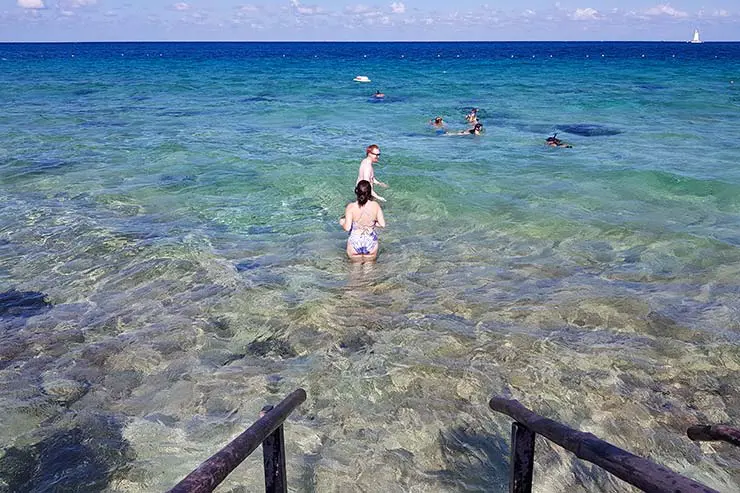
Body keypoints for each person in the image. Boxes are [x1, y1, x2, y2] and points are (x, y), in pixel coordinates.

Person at [339, 180, 386, 262]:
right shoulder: (375, 205)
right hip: (370, 241)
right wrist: (372, 223)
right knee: (370, 271)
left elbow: (347, 228)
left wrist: (342, 222)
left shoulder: (351, 207)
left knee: (354, 272)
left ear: (356, 191)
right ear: (370, 192)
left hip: (355, 241)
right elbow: (382, 224)